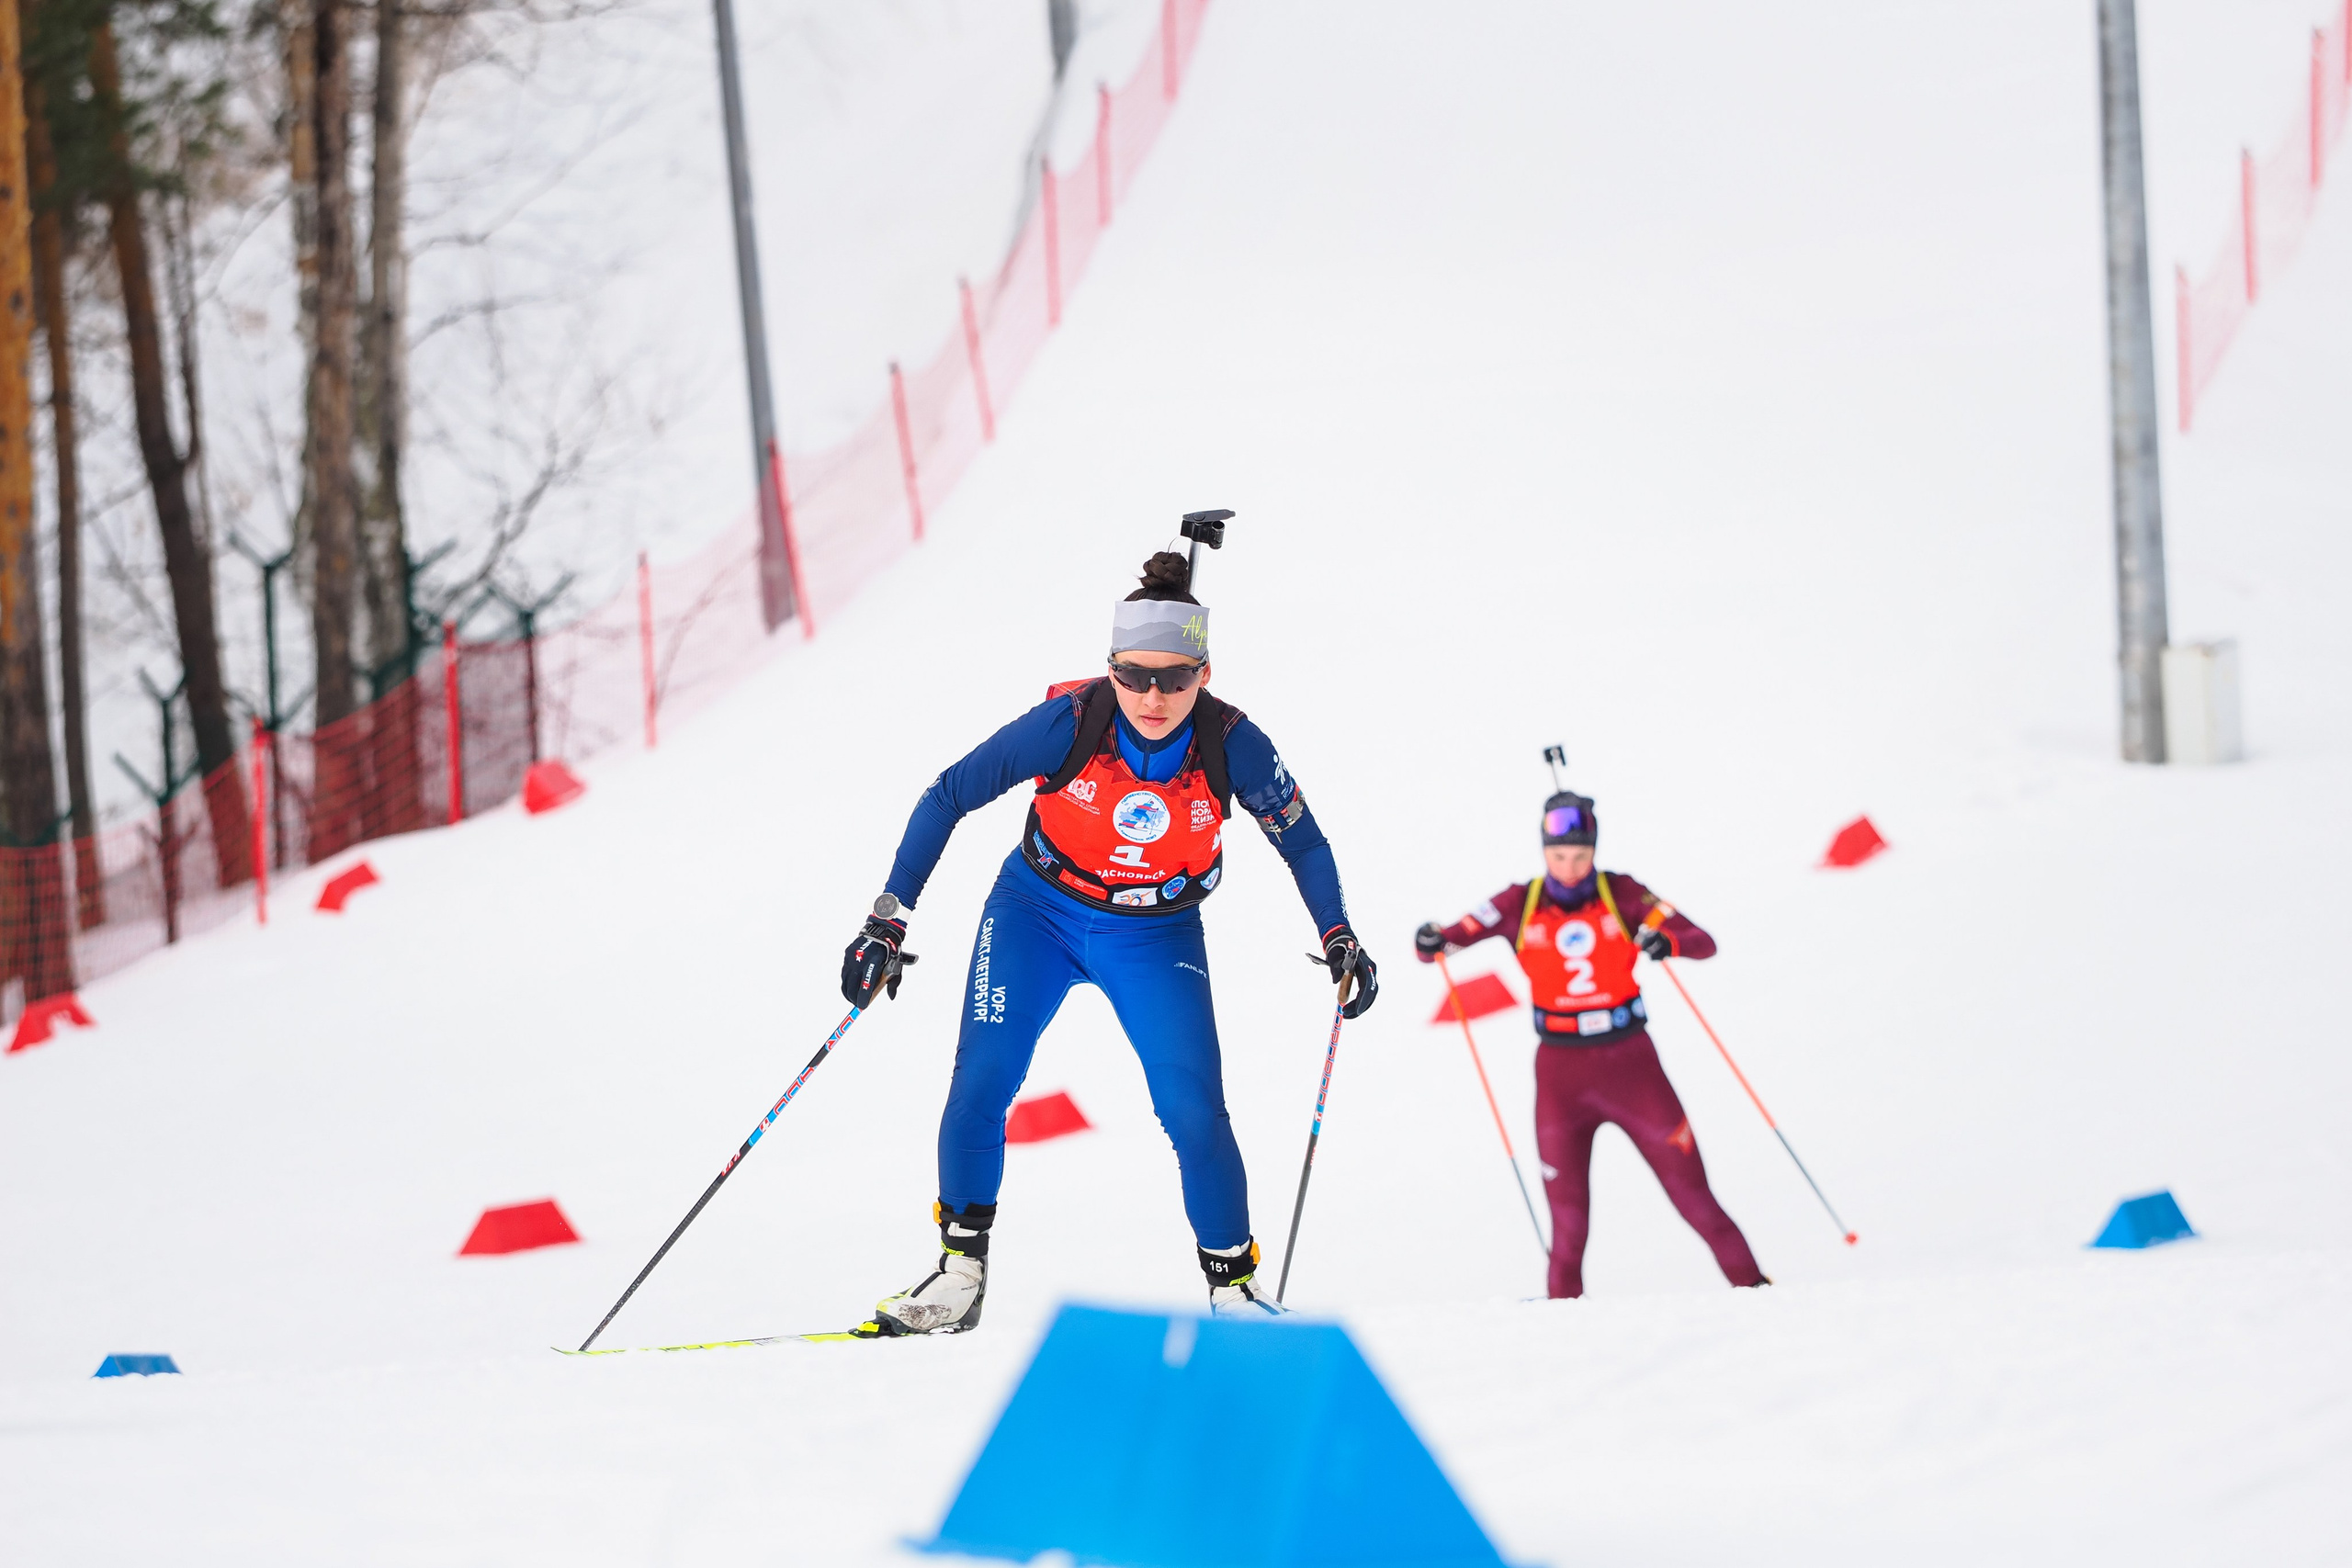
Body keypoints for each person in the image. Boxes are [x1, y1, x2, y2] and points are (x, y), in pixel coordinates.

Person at [839, 550, 1378, 1335]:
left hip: (1155, 933)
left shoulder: (1234, 742)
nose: (1152, 696)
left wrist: (1339, 934)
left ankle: (1232, 1288)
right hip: (1036, 911)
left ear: (1204, 671)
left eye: (1174, 677)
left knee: (1193, 1107)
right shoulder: (1071, 722)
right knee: (982, 1078)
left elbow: (1304, 841)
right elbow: (948, 793)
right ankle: (959, 1276)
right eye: (1133, 675)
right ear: (1111, 668)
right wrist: (889, 916)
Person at [1414, 791, 1766, 1299]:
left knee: (1696, 1200)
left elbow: (1702, 941)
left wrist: (1668, 943)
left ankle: (1762, 1298)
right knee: (1569, 1228)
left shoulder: (1623, 893)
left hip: (1632, 1067)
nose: (1571, 867)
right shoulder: (1520, 901)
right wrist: (1430, 939)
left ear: (1594, 850)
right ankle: (1563, 1339)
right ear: (1543, 851)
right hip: (1561, 1077)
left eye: (1581, 856)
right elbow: (1444, 942)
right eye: (1559, 856)